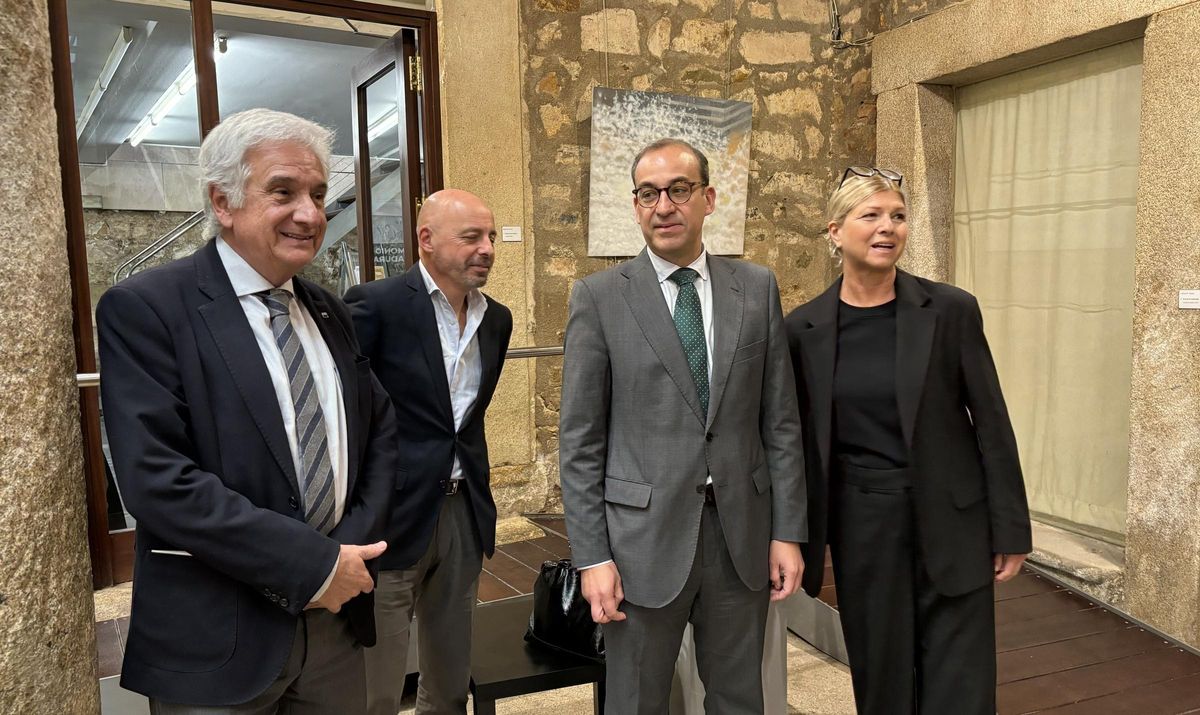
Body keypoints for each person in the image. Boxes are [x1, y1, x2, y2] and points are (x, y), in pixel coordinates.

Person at [97, 108, 399, 713]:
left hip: (336, 627)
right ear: (223, 203)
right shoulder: (147, 308)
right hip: (219, 637)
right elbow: (158, 480)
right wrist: (313, 565)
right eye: (283, 192)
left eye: (318, 193)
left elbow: (379, 436)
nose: (311, 214)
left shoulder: (328, 309)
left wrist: (347, 559)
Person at [559, 138, 806, 714]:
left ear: (709, 199)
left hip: (739, 538)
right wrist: (592, 557)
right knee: (636, 700)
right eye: (648, 193)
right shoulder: (599, 298)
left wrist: (787, 531)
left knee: (739, 698)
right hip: (640, 545)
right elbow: (579, 442)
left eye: (678, 190)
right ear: (636, 204)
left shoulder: (756, 288)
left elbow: (781, 423)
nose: (663, 206)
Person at [785, 167, 1032, 714]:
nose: (886, 227)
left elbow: (992, 421)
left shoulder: (950, 310)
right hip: (862, 524)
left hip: (954, 517)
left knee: (961, 679)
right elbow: (795, 444)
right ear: (834, 231)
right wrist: (789, 536)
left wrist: (1010, 526)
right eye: (870, 215)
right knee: (882, 674)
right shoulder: (803, 330)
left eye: (897, 216)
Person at [345, 190, 513, 715]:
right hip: (392, 517)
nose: (486, 248)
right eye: (471, 237)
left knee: (448, 678)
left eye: (489, 236)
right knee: (377, 684)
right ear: (426, 239)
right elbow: (348, 415)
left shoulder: (497, 319)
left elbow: (465, 419)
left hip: (464, 511)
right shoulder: (375, 306)